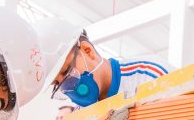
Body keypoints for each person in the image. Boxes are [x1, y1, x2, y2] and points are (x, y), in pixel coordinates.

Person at [34, 18, 169, 107]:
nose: (68, 86)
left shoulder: (149, 76)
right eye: (57, 84)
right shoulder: (81, 115)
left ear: (88, 51)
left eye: (67, 71)